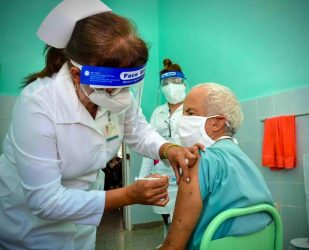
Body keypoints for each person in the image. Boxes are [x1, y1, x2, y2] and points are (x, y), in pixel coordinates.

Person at [0, 1, 199, 249]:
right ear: (77, 75)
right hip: (30, 229)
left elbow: (138, 131)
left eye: (128, 85)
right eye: (114, 86)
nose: (123, 95)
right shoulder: (37, 104)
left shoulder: (114, 93)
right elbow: (44, 201)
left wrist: (169, 149)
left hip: (82, 226)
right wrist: (128, 195)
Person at [160, 83, 274, 250]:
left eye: (190, 112)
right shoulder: (245, 159)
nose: (181, 119)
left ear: (216, 123)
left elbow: (173, 246)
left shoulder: (197, 160)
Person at [138, 58, 186, 241]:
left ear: (183, 82)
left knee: (185, 222)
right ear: (161, 86)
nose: (171, 86)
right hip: (162, 176)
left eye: (175, 81)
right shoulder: (158, 112)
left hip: (186, 176)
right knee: (167, 220)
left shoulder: (193, 108)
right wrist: (144, 178)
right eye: (166, 83)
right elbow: (149, 149)